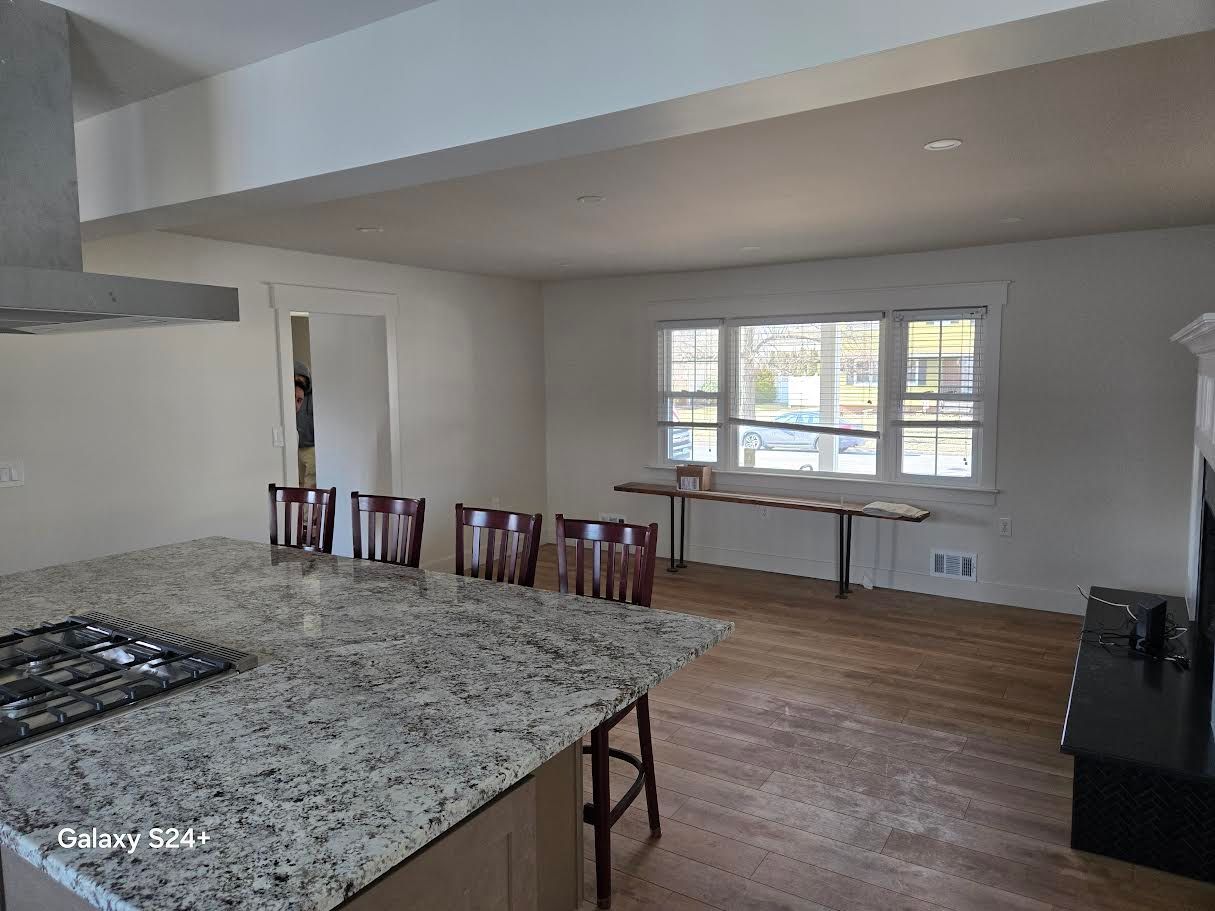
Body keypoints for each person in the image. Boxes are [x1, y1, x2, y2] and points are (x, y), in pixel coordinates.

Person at [294, 361, 316, 488]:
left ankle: (309, 502)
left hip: (311, 446)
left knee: (310, 482)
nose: (300, 382)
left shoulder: (313, 397)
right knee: (298, 482)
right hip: (296, 446)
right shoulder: (291, 394)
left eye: (303, 380)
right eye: (297, 379)